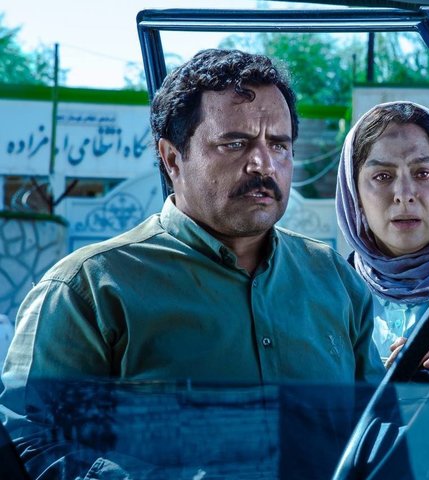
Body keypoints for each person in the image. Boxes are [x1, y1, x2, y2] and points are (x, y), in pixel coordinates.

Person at [0, 49, 383, 478]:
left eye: (279, 144)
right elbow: (31, 441)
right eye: (234, 143)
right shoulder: (88, 290)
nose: (263, 163)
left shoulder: (333, 278)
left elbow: (379, 427)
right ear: (171, 158)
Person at [336, 101, 429, 370]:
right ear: (354, 193)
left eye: (423, 173)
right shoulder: (331, 290)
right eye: (382, 176)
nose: (404, 195)